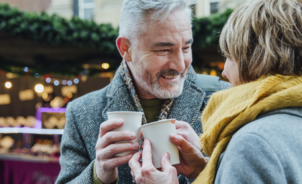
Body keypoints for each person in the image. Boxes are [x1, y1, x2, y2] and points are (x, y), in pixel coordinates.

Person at [55, 0, 231, 183]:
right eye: (164, 50)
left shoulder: (226, 100)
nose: (180, 65)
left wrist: (202, 170)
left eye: (186, 47)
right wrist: (97, 176)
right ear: (126, 49)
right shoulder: (81, 113)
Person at [129, 0, 302, 183]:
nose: (224, 72)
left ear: (255, 59)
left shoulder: (253, 142)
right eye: (164, 49)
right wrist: (202, 171)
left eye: (229, 56)